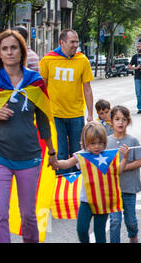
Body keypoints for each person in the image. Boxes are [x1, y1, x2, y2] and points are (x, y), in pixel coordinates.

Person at [0, 29, 56, 243]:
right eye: (4, 49)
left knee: (28, 215)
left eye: (13, 48)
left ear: (21, 51)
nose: (9, 52)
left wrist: (53, 151)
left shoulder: (35, 81)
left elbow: (44, 119)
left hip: (30, 157)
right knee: (0, 215)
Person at [49, 121, 129, 243]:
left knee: (100, 233)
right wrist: (56, 163)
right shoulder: (81, 155)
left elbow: (117, 171)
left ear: (105, 143)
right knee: (81, 229)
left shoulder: (107, 157)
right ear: (85, 143)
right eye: (93, 143)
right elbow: (67, 163)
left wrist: (125, 158)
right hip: (86, 201)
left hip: (102, 201)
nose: (97, 146)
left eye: (100, 143)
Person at [39, 29, 94, 174]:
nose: (76, 45)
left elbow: (87, 88)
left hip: (75, 114)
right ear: (62, 42)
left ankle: (76, 189)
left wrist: (90, 114)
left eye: (77, 42)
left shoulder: (82, 60)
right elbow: (42, 88)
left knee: (78, 152)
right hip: (55, 114)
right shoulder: (47, 60)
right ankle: (61, 189)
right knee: (60, 151)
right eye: (72, 42)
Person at [108, 105, 141, 243]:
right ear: (111, 121)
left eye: (124, 119)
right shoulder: (106, 142)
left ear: (128, 121)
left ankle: (133, 235)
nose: (120, 122)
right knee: (115, 221)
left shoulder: (132, 141)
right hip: (112, 190)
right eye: (117, 119)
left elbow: (140, 162)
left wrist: (123, 166)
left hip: (129, 187)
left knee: (131, 220)